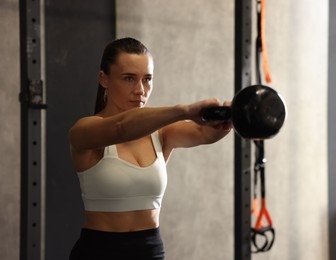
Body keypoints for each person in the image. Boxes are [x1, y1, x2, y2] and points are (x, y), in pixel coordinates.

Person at [68, 37, 232, 260]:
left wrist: (229, 119)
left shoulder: (162, 133)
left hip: (150, 251)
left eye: (147, 79)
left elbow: (204, 133)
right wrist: (184, 110)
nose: (140, 90)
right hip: (99, 252)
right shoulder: (84, 130)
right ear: (103, 78)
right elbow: (121, 128)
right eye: (128, 78)